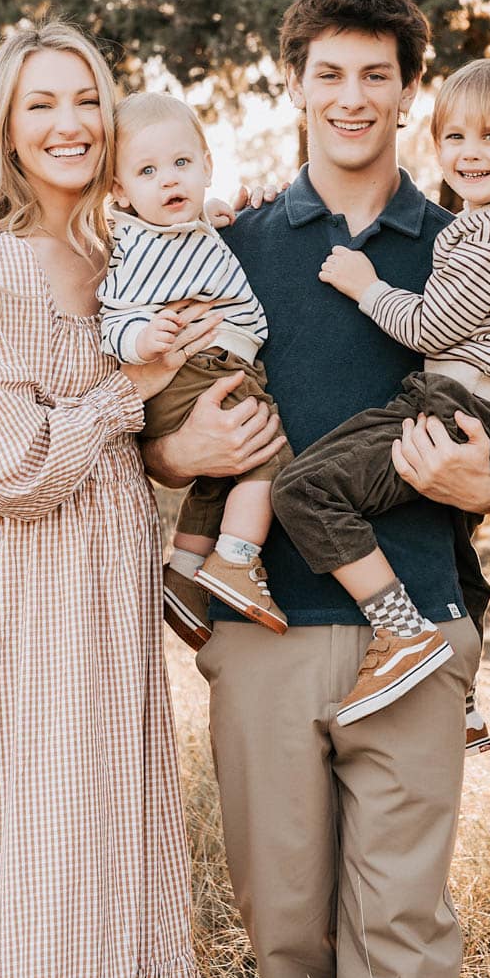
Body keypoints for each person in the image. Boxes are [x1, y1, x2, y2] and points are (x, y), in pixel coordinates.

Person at [142, 0, 490, 978]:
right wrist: (183, 456)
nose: (353, 96)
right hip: (263, 633)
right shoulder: (229, 248)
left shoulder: (473, 247)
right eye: (331, 74)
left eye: (378, 74)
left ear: (412, 90)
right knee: (284, 942)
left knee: (401, 944)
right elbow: (152, 430)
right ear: (296, 85)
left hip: (415, 622)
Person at [0, 21, 212, 978]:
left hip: (117, 565)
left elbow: (161, 425)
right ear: (8, 126)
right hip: (33, 576)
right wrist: (126, 395)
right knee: (26, 817)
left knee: (114, 811)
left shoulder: (136, 249)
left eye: (86, 100)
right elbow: (1, 467)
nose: (70, 123)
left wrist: (175, 441)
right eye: (42, 103)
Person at [272, 58, 490, 726]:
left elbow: (430, 324)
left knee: (305, 488)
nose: (470, 154)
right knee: (455, 543)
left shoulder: (487, 231)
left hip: (458, 407)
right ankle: (464, 699)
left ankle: (400, 632)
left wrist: (365, 284)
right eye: (455, 138)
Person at [98, 90, 292, 635]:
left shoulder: (187, 228)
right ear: (121, 189)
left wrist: (208, 213)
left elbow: (191, 233)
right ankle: (235, 558)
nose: (168, 180)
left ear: (207, 166)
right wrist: (144, 339)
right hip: (194, 370)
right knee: (267, 454)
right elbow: (112, 321)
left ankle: (183, 573)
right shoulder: (133, 244)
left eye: (182, 164)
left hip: (217, 366)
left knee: (220, 476)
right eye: (148, 170)